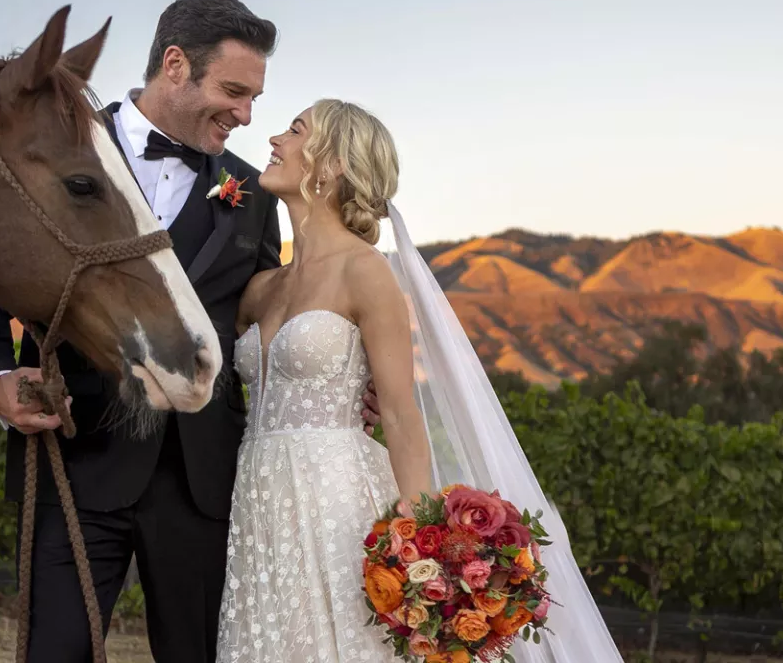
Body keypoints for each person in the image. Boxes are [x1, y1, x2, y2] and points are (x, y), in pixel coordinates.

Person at [0, 0, 376, 663]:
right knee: (55, 652)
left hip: (201, 481)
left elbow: (263, 319)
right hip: (77, 462)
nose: (246, 115)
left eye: (254, 100)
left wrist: (341, 378)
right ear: (175, 65)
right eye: (234, 92)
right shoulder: (55, 158)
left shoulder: (249, 193)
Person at [214, 100, 625, 662]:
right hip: (258, 498)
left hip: (337, 496)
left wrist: (417, 536)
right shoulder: (260, 288)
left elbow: (403, 413)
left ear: (331, 164)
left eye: (294, 130)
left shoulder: (367, 272)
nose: (274, 139)